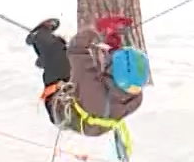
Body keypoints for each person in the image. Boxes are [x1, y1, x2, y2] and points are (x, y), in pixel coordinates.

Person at [25, 16, 145, 145]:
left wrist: (97, 28)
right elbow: (122, 73)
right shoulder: (136, 97)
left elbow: (76, 49)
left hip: (60, 109)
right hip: (92, 120)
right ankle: (48, 58)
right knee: (65, 62)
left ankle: (39, 35)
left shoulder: (91, 86)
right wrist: (113, 46)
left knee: (59, 51)